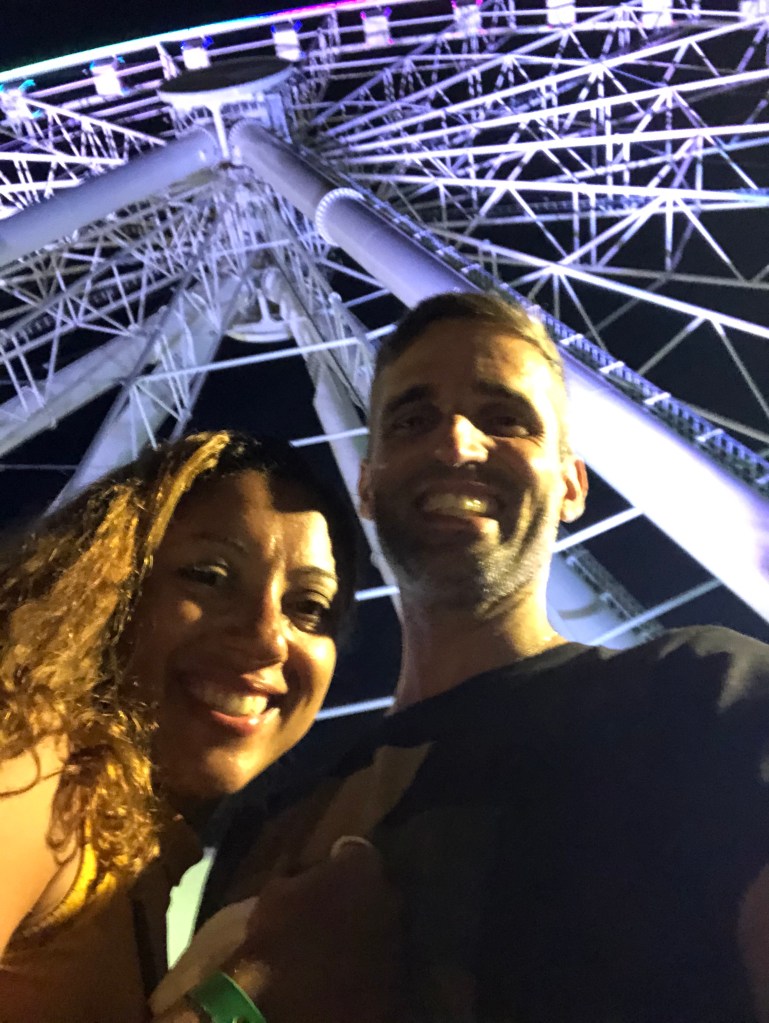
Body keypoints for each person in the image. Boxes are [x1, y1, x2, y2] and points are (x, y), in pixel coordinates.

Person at [199, 292, 769, 1022]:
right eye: (412, 421)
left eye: (505, 418)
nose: (455, 445)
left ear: (571, 484)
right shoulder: (269, 824)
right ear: (366, 485)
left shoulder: (708, 701)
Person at [0, 429, 394, 1022]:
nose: (267, 637)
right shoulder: (34, 768)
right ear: (111, 587)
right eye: (209, 576)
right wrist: (255, 985)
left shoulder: (127, 860)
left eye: (309, 608)